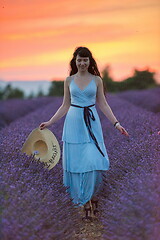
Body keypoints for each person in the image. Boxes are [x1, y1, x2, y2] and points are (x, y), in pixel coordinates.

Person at [39, 46, 129, 222]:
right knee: (78, 164)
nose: (82, 63)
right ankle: (86, 204)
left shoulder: (96, 80)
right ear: (75, 61)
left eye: (85, 60)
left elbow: (103, 104)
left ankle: (93, 196)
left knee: (94, 161)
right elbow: (65, 105)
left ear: (90, 61)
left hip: (92, 122)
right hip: (73, 122)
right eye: (79, 60)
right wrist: (50, 122)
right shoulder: (68, 80)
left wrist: (117, 124)